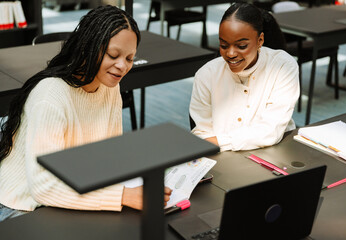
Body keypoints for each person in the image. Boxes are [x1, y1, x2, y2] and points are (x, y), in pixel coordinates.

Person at [0, 5, 172, 222]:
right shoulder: (50, 95)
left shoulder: (110, 87)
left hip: (68, 190)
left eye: (129, 58)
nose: (122, 66)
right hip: (22, 206)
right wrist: (124, 196)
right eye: (113, 55)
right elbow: (43, 187)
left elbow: (110, 154)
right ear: (88, 47)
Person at [189, 2, 300, 152]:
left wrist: (221, 141)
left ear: (260, 40)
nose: (230, 54)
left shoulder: (282, 66)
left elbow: (270, 131)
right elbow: (202, 134)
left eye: (241, 46)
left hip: (276, 152)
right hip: (223, 158)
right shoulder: (206, 75)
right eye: (223, 45)